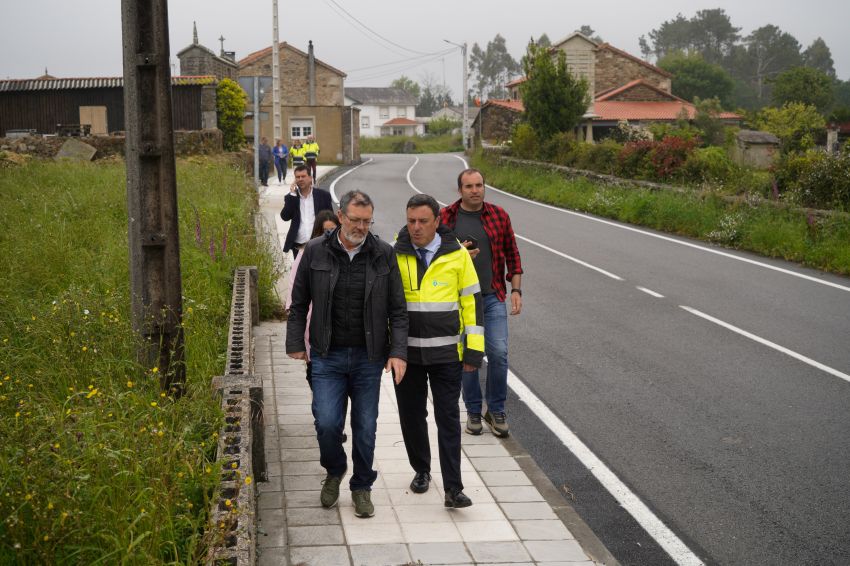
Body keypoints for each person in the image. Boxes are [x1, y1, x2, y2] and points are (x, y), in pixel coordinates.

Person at [287, 190, 408, 519]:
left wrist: (398, 351)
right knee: (327, 423)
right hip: (327, 355)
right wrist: (296, 342)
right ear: (340, 217)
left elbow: (398, 310)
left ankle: (361, 486)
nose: (361, 226)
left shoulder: (383, 253)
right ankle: (335, 469)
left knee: (366, 427)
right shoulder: (315, 252)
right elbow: (298, 304)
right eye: (355, 220)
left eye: (367, 221)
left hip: (369, 358)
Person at [393, 194, 483, 509]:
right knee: (412, 416)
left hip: (447, 355)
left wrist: (474, 353)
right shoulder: (395, 253)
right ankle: (421, 469)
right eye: (411, 221)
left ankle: (453, 489)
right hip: (407, 357)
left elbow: (472, 304)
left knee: (448, 418)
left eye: (422, 221)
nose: (415, 228)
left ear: (437, 221)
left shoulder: (457, 255)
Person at [440, 168, 523, 438]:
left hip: (492, 295)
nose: (475, 190)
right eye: (469, 186)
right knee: (467, 356)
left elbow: (513, 253)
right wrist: (458, 253)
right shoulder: (446, 218)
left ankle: (496, 410)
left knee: (498, 353)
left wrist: (516, 290)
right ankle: (474, 411)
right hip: (460, 300)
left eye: (479, 185)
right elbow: (431, 255)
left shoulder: (499, 216)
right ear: (459, 190)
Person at [286, 210, 340, 389]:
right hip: (313, 330)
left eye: (334, 230)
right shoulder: (306, 255)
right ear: (318, 232)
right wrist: (298, 338)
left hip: (338, 334)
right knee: (317, 381)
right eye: (326, 232)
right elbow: (294, 297)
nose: (330, 236)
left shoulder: (345, 257)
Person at [280, 165, 334, 259]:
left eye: (303, 176)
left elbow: (331, 218)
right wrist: (292, 195)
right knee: (301, 272)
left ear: (310, 178)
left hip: (319, 243)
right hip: (299, 245)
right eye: (298, 177)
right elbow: (285, 217)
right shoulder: (291, 197)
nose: (300, 179)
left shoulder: (323, 196)